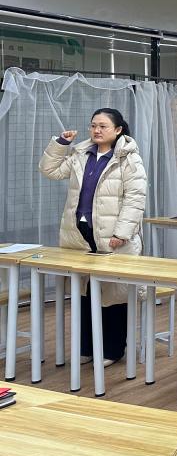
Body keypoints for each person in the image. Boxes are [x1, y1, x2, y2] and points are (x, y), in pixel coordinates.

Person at [38, 108, 147, 366]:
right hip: (80, 234)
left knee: (113, 295)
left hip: (112, 237)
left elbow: (135, 199)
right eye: (93, 125)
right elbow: (49, 170)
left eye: (103, 126)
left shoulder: (129, 159)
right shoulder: (80, 153)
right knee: (84, 293)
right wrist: (61, 144)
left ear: (118, 130)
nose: (96, 130)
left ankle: (112, 350)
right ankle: (86, 348)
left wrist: (122, 233)